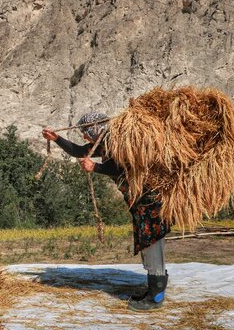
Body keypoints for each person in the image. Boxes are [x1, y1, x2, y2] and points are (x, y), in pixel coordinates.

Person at [42, 112, 170, 311]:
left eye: (85, 132)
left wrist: (96, 168)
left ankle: (156, 297)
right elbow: (79, 151)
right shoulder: (105, 143)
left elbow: (124, 168)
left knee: (152, 244)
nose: (85, 137)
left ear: (94, 128)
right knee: (147, 244)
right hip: (140, 204)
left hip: (151, 203)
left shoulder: (120, 142)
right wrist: (57, 138)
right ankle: (153, 289)